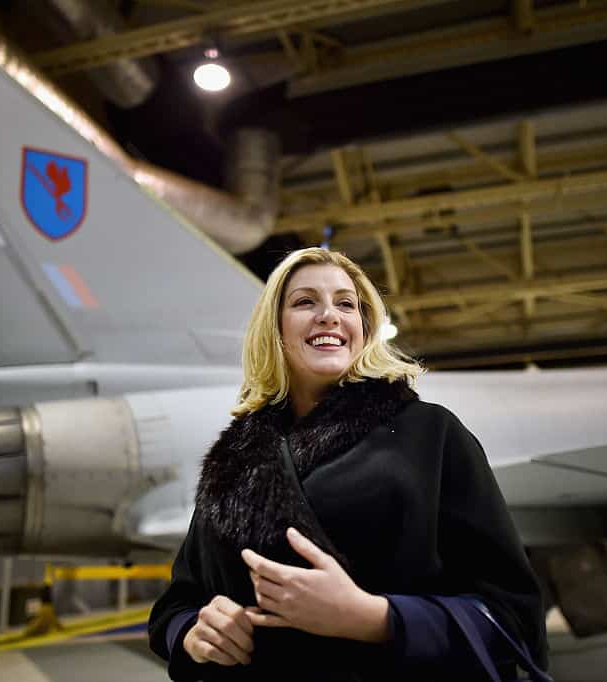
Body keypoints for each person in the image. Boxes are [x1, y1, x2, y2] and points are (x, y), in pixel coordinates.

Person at [148, 247, 548, 681]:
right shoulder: (233, 459)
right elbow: (177, 604)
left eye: (346, 304)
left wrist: (370, 617)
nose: (329, 315)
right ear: (276, 330)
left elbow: (512, 617)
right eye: (305, 302)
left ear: (363, 328)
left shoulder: (431, 435)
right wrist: (195, 632)